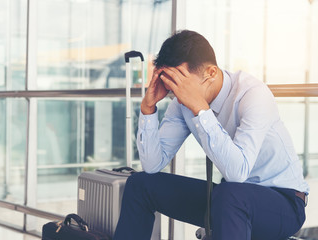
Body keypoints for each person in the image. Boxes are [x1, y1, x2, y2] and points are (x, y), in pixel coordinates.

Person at [113, 30, 309, 240]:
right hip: (228, 201)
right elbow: (152, 164)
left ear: (211, 73)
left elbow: (237, 172)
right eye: (171, 83)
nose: (177, 94)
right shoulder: (181, 102)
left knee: (230, 195)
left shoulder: (253, 95)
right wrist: (148, 108)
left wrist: (200, 110)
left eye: (181, 82)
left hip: (284, 203)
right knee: (140, 184)